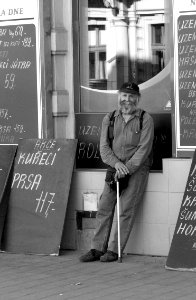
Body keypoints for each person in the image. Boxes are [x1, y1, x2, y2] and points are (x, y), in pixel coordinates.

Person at [80, 82, 154, 262]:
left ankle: (114, 250)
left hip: (136, 170)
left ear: (137, 99)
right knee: (104, 207)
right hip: (114, 168)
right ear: (118, 96)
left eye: (131, 96)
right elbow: (104, 148)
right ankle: (97, 248)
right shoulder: (110, 118)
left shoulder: (145, 119)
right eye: (124, 95)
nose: (126, 100)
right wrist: (117, 165)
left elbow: (144, 149)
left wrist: (127, 169)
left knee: (125, 210)